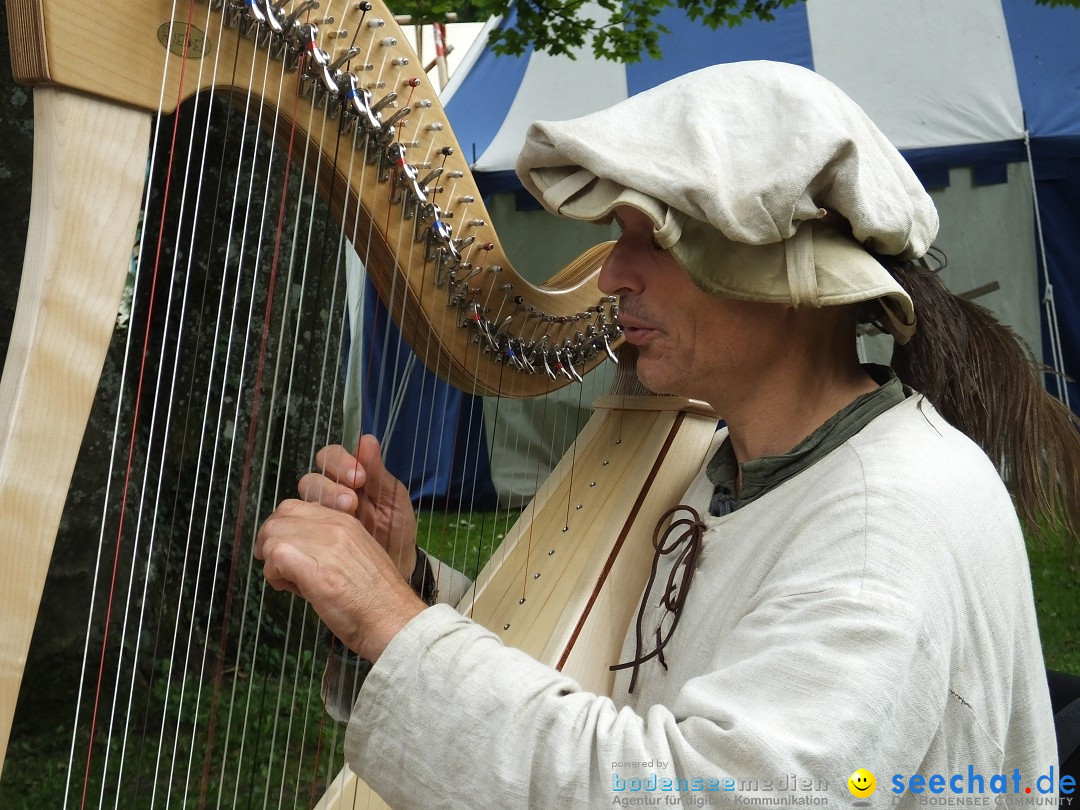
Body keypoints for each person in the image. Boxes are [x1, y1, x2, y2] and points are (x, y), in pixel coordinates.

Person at [255, 61, 1074, 807]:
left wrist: (391, 622)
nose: (610, 276)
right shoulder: (740, 466)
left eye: (651, 238)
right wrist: (413, 586)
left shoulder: (882, 528)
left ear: (779, 272)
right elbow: (612, 676)